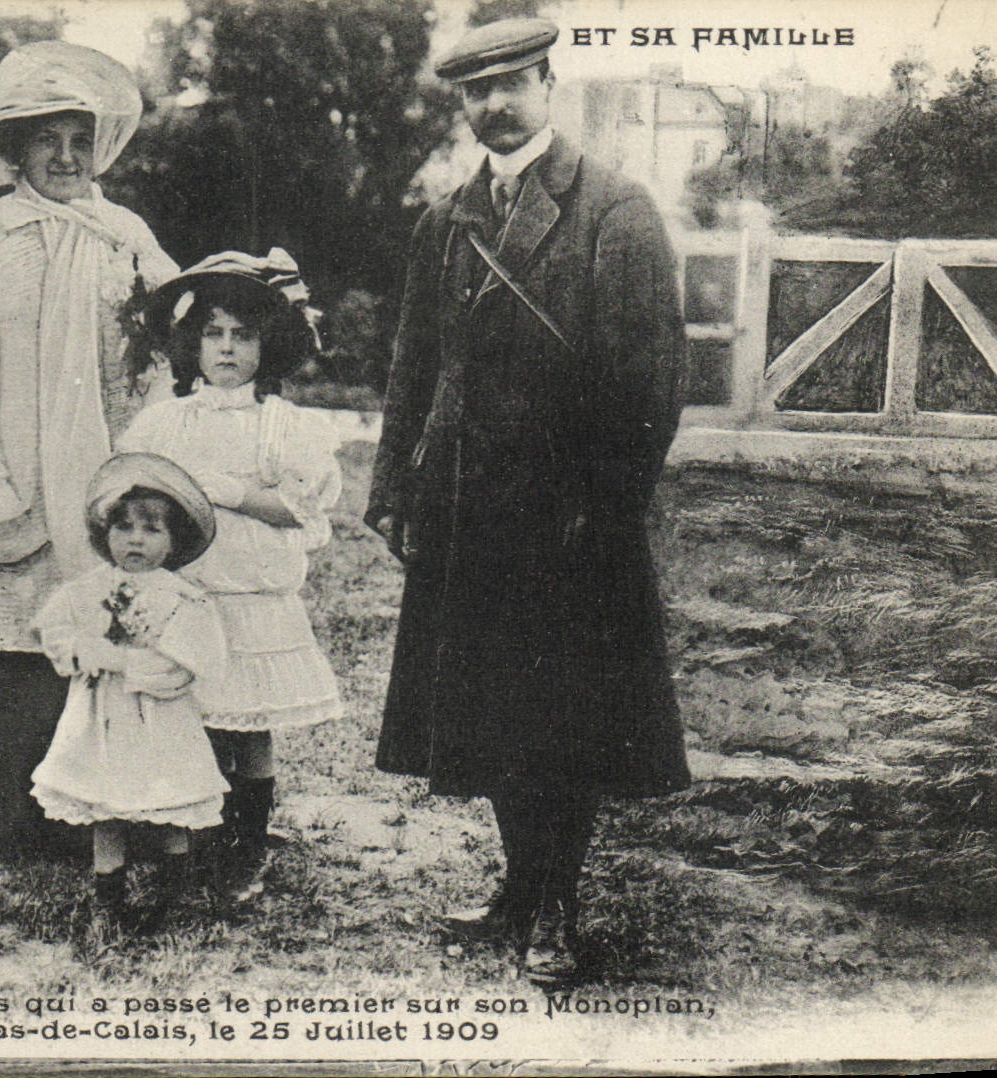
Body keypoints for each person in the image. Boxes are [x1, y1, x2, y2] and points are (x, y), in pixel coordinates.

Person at [365, 18, 690, 982]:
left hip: (569, 516)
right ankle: (517, 885)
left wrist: (607, 500)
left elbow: (651, 380)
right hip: (469, 509)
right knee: (492, 710)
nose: (495, 105)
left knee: (563, 718)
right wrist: (392, 487)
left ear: (550, 82)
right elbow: (412, 363)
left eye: (512, 84)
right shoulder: (450, 217)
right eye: (477, 92)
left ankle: (557, 905)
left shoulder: (614, 209)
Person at [0, 41, 179, 855]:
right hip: (21, 472)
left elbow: (176, 333)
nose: (65, 157)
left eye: (79, 139)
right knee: (9, 627)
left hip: (106, 470)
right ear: (15, 147)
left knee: (107, 618)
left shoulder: (124, 233)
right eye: (47, 139)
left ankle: (105, 813)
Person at [118, 249, 344, 903]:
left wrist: (227, 491)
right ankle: (190, 838)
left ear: (265, 345)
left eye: (241, 336)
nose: (226, 349)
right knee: (191, 718)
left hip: (250, 596)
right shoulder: (165, 423)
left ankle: (248, 842)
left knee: (249, 723)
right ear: (191, 344)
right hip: (188, 597)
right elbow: (133, 497)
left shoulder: (282, 426)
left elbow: (296, 508)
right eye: (213, 334)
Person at [29, 453, 227, 933]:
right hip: (103, 716)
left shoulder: (183, 598)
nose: (135, 538)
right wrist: (82, 647)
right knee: (106, 801)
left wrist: (127, 661)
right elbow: (51, 628)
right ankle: (108, 897)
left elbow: (186, 664)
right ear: (106, 533)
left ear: (174, 539)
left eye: (152, 529)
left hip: (160, 716)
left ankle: (175, 894)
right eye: (124, 527)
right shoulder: (87, 589)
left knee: (172, 799)